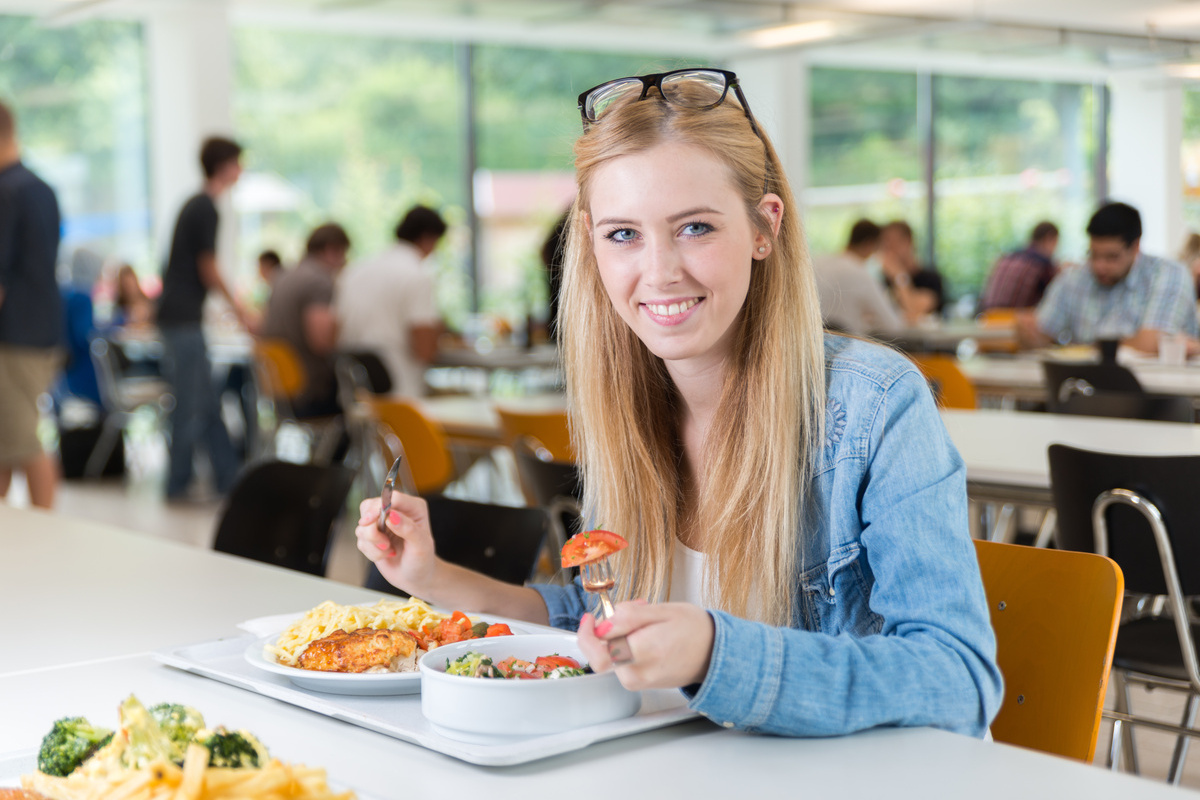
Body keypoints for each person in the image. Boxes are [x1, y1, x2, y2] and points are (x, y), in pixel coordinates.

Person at [354, 68, 1001, 737]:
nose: (659, 271)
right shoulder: (625, 402)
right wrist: (432, 577)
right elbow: (594, 616)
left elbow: (959, 682)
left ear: (764, 227)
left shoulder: (874, 407)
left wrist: (717, 653)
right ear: (591, 243)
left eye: (694, 227)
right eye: (623, 235)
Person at [156, 136, 248, 501]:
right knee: (190, 404)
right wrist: (241, 311)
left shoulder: (196, 204)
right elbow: (207, 267)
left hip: (180, 316)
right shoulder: (206, 207)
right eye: (238, 163)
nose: (241, 170)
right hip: (182, 319)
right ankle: (176, 483)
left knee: (206, 402)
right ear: (225, 165)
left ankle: (229, 478)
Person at [1019, 202, 1199, 355]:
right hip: (1086, 390)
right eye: (1094, 255)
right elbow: (1042, 334)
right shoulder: (1074, 278)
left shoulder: (1168, 274)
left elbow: (1150, 345)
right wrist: (1029, 334)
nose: (1100, 266)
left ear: (1136, 247)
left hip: (1160, 393)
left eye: (1111, 257)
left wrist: (1085, 349)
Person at [0, 100, 62, 509]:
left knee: (21, 443)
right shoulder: (39, 188)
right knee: (7, 440)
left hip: (14, 336)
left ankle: (49, 530)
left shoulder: (5, 192)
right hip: (41, 332)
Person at [335, 205, 446, 397]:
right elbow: (425, 349)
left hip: (354, 395)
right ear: (429, 238)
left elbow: (335, 330)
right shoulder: (416, 275)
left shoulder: (354, 271)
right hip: (400, 396)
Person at [261, 222, 351, 417]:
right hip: (309, 389)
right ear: (331, 250)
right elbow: (320, 342)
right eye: (344, 254)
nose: (345, 262)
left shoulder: (282, 275)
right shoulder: (319, 281)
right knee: (360, 396)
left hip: (279, 386)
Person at [811, 218, 903, 337]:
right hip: (847, 348)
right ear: (869, 244)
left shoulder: (817, 263)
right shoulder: (860, 274)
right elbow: (892, 325)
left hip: (813, 345)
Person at [978, 221, 1059, 312]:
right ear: (1050, 238)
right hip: (1012, 320)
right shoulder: (1041, 263)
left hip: (986, 317)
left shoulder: (1007, 257)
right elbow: (1056, 297)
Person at [879, 220, 944, 322]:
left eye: (893, 243)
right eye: (885, 245)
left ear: (908, 241)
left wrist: (899, 276)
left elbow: (914, 309)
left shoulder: (930, 278)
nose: (889, 250)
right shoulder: (885, 280)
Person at [112, 263, 154, 328]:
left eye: (130, 283)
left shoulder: (148, 303)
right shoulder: (119, 308)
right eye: (125, 284)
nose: (129, 288)